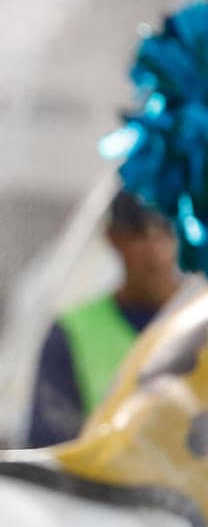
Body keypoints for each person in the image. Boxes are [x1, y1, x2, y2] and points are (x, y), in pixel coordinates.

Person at [26, 189, 183, 448]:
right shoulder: (73, 332)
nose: (156, 255)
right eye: (140, 236)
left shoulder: (198, 326)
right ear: (113, 239)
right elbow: (52, 449)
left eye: (168, 234)